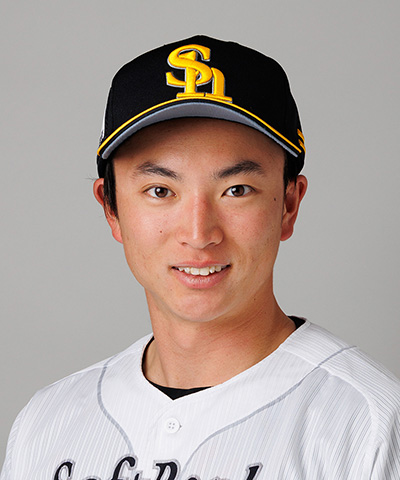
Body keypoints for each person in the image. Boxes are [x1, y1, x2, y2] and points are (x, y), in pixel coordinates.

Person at [1, 35, 399, 480]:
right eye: (160, 191)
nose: (198, 234)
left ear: (289, 205)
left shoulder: (369, 424)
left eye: (236, 190)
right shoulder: (46, 423)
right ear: (111, 209)